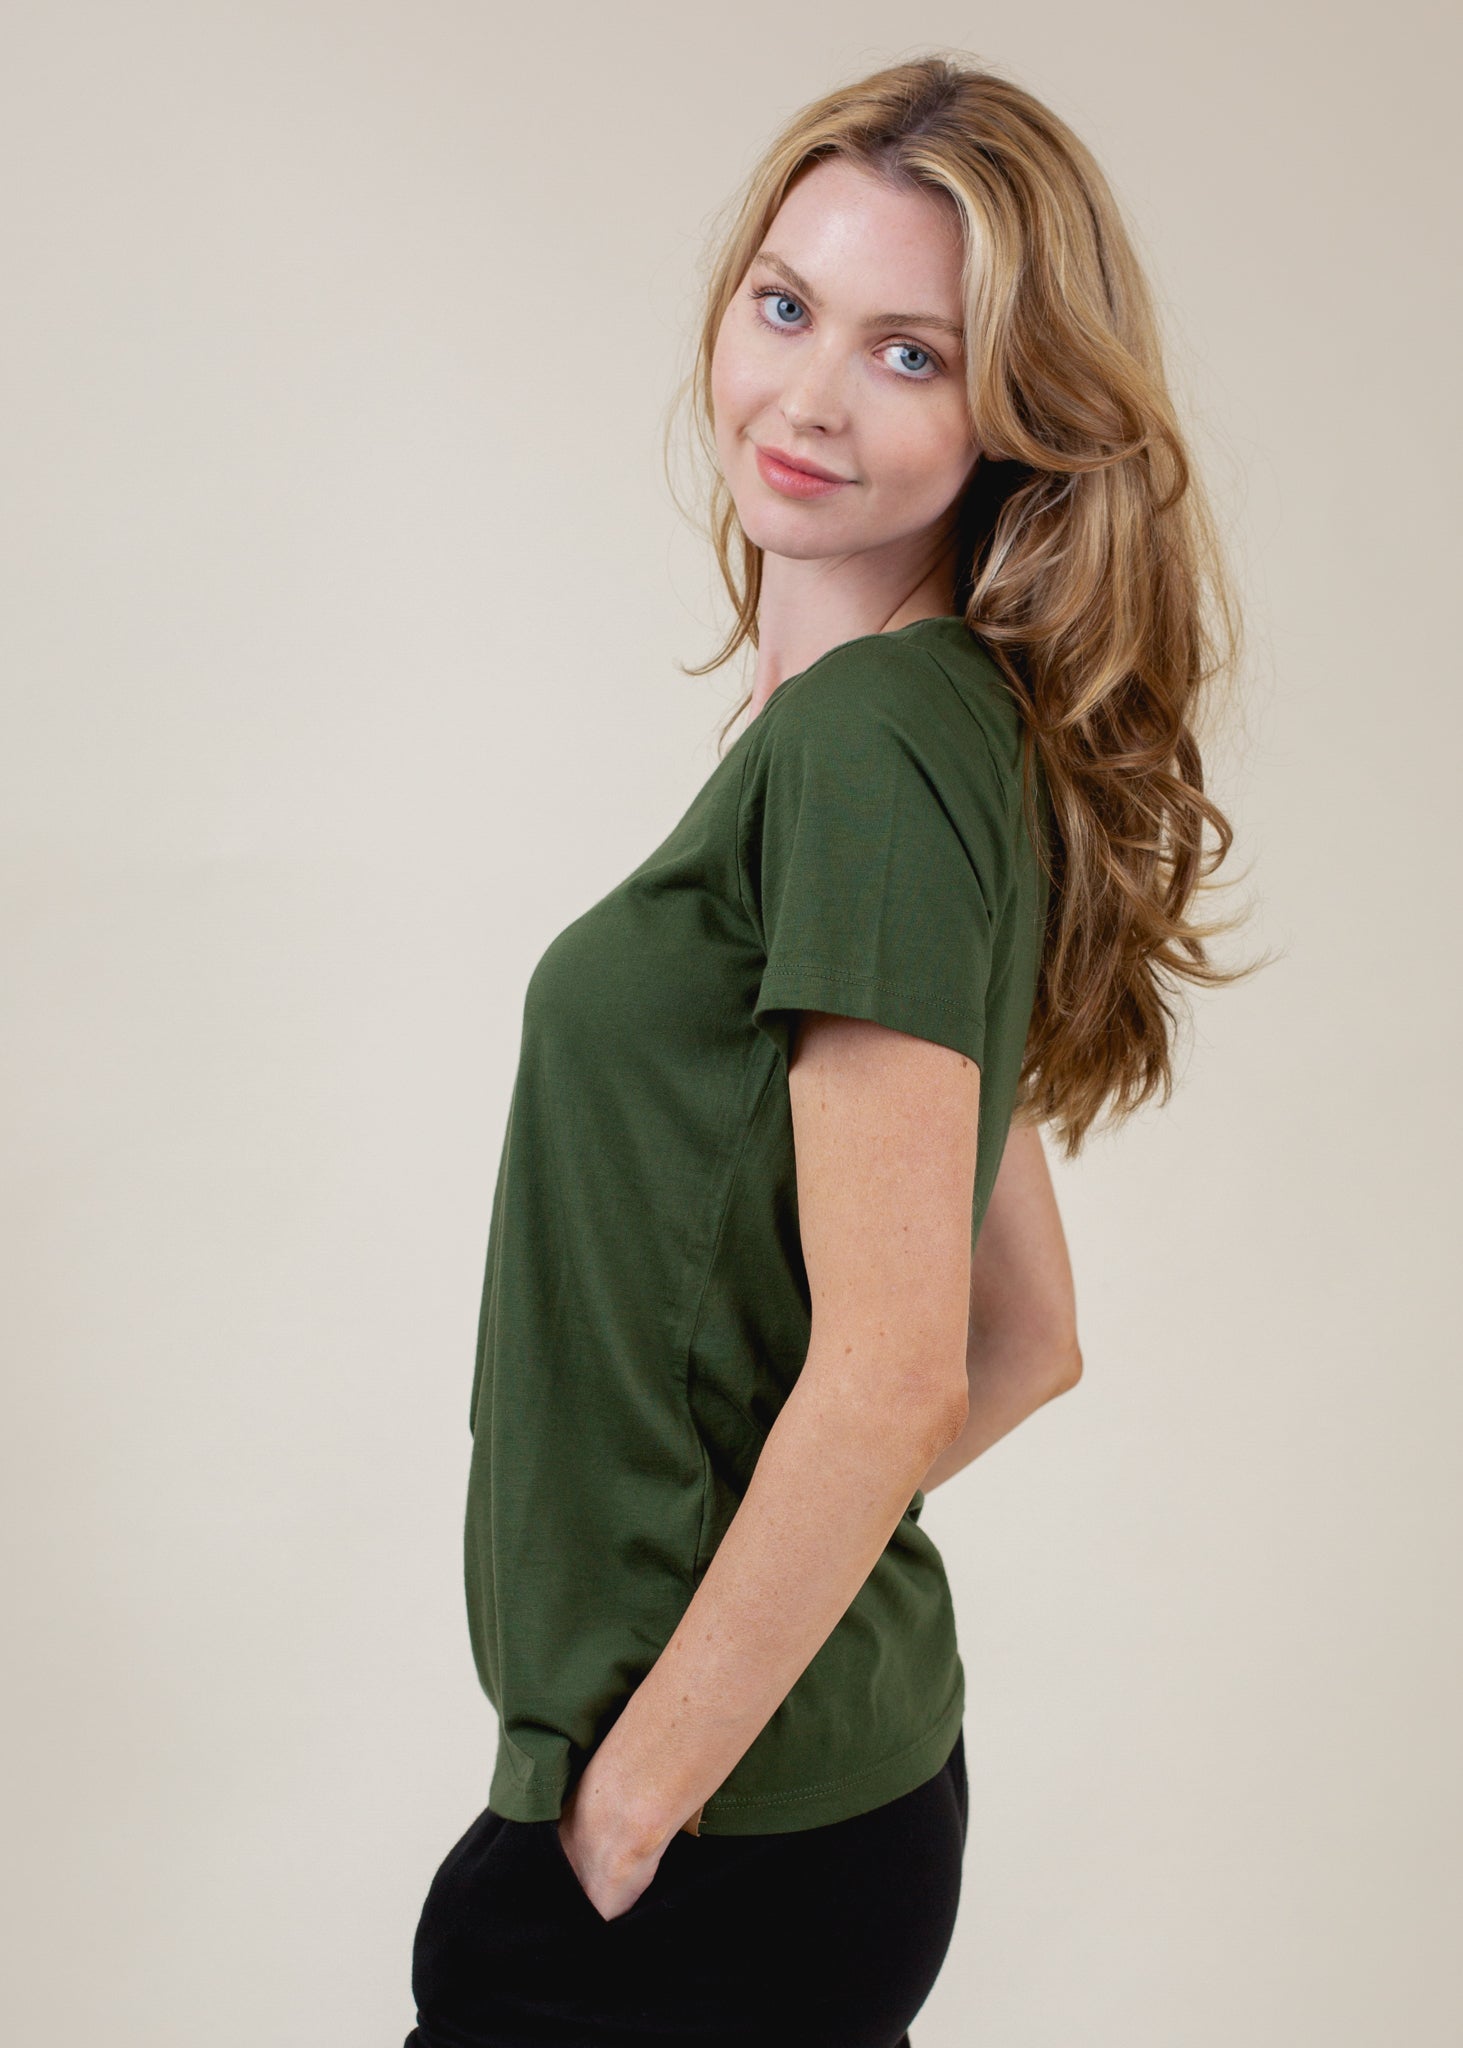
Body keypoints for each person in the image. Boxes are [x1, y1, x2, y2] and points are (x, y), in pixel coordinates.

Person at [404, 50, 1250, 2048]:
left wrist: (626, 1804)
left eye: (908, 353)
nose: (808, 396)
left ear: (1014, 410)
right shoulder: (925, 725)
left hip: (714, 1846)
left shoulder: (873, 755)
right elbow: (1022, 1321)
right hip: (811, 1806)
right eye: (784, 304)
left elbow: (888, 1377)